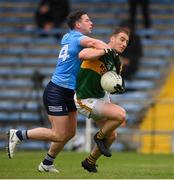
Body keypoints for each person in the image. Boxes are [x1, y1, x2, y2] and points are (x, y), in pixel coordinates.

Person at [7, 10, 111, 173]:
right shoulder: (77, 38)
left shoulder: (69, 37)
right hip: (58, 90)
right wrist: (110, 51)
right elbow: (95, 44)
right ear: (77, 24)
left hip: (70, 91)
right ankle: (19, 135)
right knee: (58, 134)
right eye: (87, 20)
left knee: (69, 133)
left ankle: (47, 163)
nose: (91, 23)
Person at [74, 27, 130, 172]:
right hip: (85, 99)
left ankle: (89, 162)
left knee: (111, 136)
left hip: (100, 97)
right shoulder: (102, 49)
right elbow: (82, 54)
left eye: (126, 42)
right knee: (121, 114)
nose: (124, 44)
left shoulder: (118, 62)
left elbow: (108, 84)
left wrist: (117, 88)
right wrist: (104, 50)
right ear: (112, 39)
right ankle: (98, 137)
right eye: (121, 39)